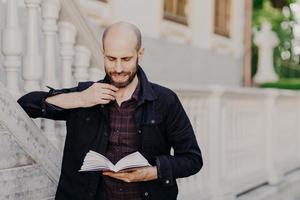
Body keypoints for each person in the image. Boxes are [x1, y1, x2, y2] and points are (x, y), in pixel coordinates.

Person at [17, 22, 203, 200]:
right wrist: (81, 99)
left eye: (126, 59)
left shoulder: (165, 100)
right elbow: (26, 105)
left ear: (140, 54)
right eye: (111, 59)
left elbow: (192, 159)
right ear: (103, 53)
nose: (119, 68)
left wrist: (151, 173)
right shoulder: (86, 94)